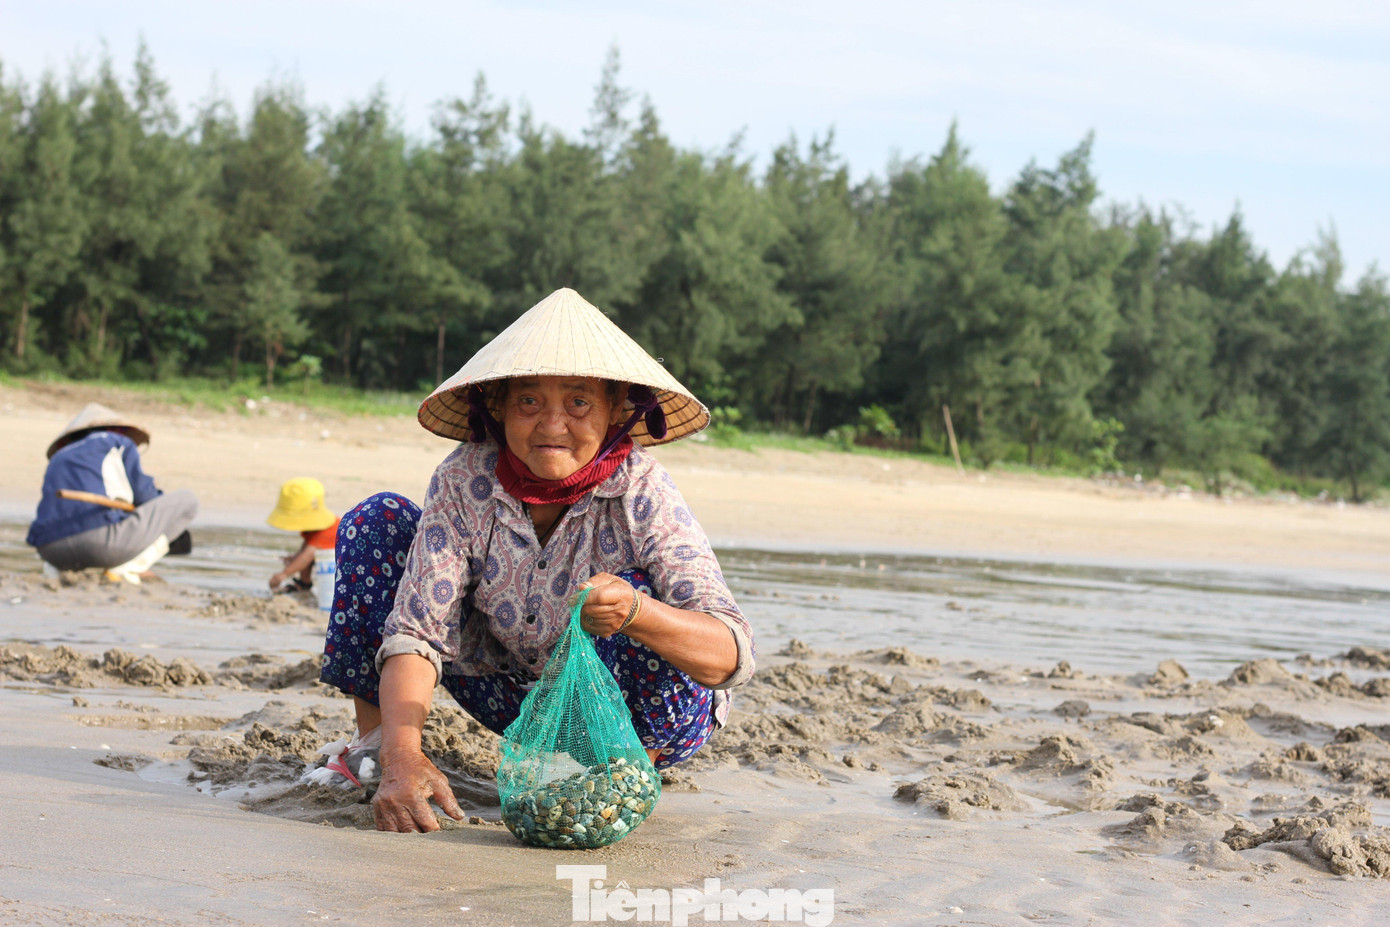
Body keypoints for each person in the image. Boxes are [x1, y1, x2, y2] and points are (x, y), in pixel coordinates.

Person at [305, 287, 755, 833]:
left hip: (634, 717)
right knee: (379, 522)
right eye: (528, 401)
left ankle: (622, 775)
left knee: (638, 592)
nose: (552, 424)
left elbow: (730, 655)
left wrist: (638, 612)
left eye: (579, 402)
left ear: (616, 408)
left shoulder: (643, 493)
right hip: (515, 695)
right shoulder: (463, 478)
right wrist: (404, 753)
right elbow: (418, 633)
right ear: (498, 406)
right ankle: (375, 751)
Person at [27, 402, 198, 583]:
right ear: (114, 429)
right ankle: (127, 568)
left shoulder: (59, 457)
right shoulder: (116, 441)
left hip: (50, 552)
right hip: (99, 545)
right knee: (188, 500)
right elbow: (145, 496)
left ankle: (65, 570)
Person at [265, 477, 339, 594]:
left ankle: (308, 585)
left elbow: (307, 556)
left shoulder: (328, 531)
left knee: (307, 556)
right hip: (323, 557)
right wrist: (295, 558)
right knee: (304, 555)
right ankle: (304, 583)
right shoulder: (314, 529)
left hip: (338, 562)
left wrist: (283, 574)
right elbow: (305, 549)